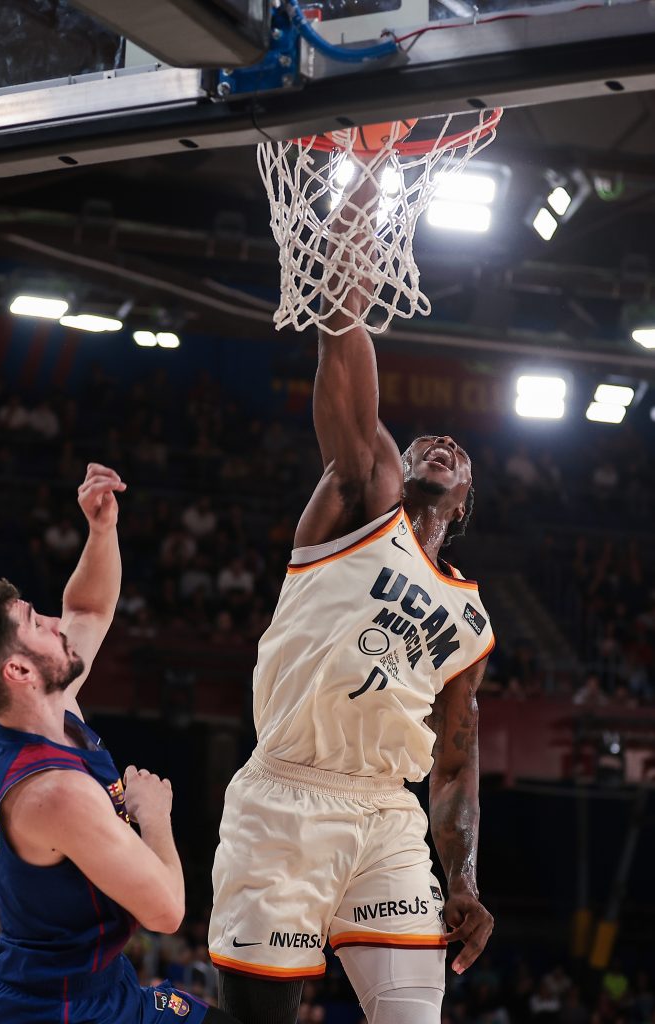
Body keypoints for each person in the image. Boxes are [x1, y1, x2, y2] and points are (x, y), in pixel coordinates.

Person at [209, 166, 495, 1024]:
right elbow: (343, 323)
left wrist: (464, 880)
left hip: (384, 816)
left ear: (467, 501)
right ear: (397, 466)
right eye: (423, 442)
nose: (440, 441)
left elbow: (452, 761)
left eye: (457, 451)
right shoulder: (359, 497)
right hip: (285, 795)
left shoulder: (471, 620)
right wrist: (369, 180)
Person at [0, 464, 236, 1024]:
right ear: (19, 670)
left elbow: (89, 609)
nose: (54, 621)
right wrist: (156, 815)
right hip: (63, 1011)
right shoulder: (55, 794)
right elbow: (167, 911)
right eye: (35, 622)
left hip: (87, 986)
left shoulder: (33, 705)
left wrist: (101, 530)